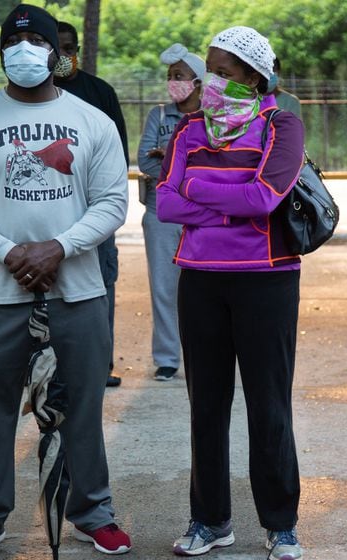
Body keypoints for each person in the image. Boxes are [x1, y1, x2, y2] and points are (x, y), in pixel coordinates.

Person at [0, 4, 131, 560]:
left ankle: (94, 513)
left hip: (78, 293)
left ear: (57, 54)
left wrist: (59, 248)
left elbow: (113, 202)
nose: (24, 50)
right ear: (1, 53)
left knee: (83, 407)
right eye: (13, 41)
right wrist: (9, 251)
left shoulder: (91, 121)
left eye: (36, 41)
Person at [156, 26, 305, 560]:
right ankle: (210, 521)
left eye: (224, 70)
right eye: (209, 69)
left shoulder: (281, 125)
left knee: (269, 406)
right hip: (200, 278)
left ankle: (281, 525)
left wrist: (198, 188)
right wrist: (223, 201)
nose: (212, 80)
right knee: (207, 406)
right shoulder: (190, 130)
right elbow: (165, 203)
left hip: (266, 278)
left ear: (254, 77)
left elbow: (265, 197)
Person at [54, 21, 128, 388]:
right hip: (48, 213)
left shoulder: (99, 92)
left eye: (70, 48)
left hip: (93, 216)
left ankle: (99, 366)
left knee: (99, 289)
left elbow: (119, 158)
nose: (64, 57)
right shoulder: (32, 94)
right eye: (58, 48)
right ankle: (42, 366)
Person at [137, 43, 204, 382]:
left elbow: (218, 164)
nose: (172, 82)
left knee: (203, 288)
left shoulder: (213, 117)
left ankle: (203, 353)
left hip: (201, 214)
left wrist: (171, 156)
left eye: (179, 76)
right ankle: (166, 358)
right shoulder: (159, 116)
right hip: (160, 213)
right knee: (164, 288)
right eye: (169, 76)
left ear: (198, 81)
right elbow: (144, 161)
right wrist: (189, 160)